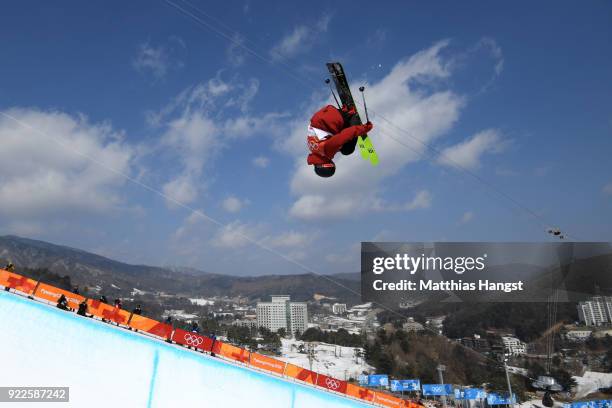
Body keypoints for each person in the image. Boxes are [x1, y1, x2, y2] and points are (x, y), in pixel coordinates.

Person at [306, 104, 374, 177]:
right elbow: (330, 140)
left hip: (333, 118)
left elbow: (344, 136)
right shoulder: (313, 149)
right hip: (326, 113)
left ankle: (352, 118)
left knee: (347, 150)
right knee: (339, 144)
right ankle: (345, 112)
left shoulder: (326, 151)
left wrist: (364, 129)